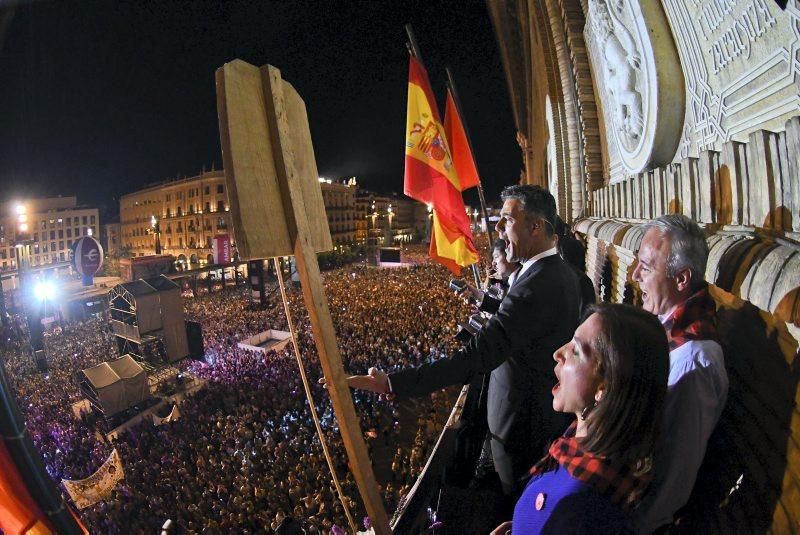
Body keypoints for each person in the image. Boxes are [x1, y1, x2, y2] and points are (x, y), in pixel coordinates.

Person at [340, 185, 584, 497]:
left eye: (506, 220)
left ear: (535, 226)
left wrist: (391, 383)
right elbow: (525, 326)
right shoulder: (558, 273)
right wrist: (490, 304)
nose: (497, 226)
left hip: (520, 431)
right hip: (531, 422)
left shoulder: (535, 285)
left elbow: (473, 358)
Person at [491, 304, 669, 534]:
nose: (558, 353)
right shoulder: (582, 442)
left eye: (576, 350)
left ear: (604, 388)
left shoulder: (584, 511)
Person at [629, 214, 729, 533]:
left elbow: (672, 480)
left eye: (646, 266)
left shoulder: (695, 360)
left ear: (682, 278)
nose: (634, 276)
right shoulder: (665, 330)